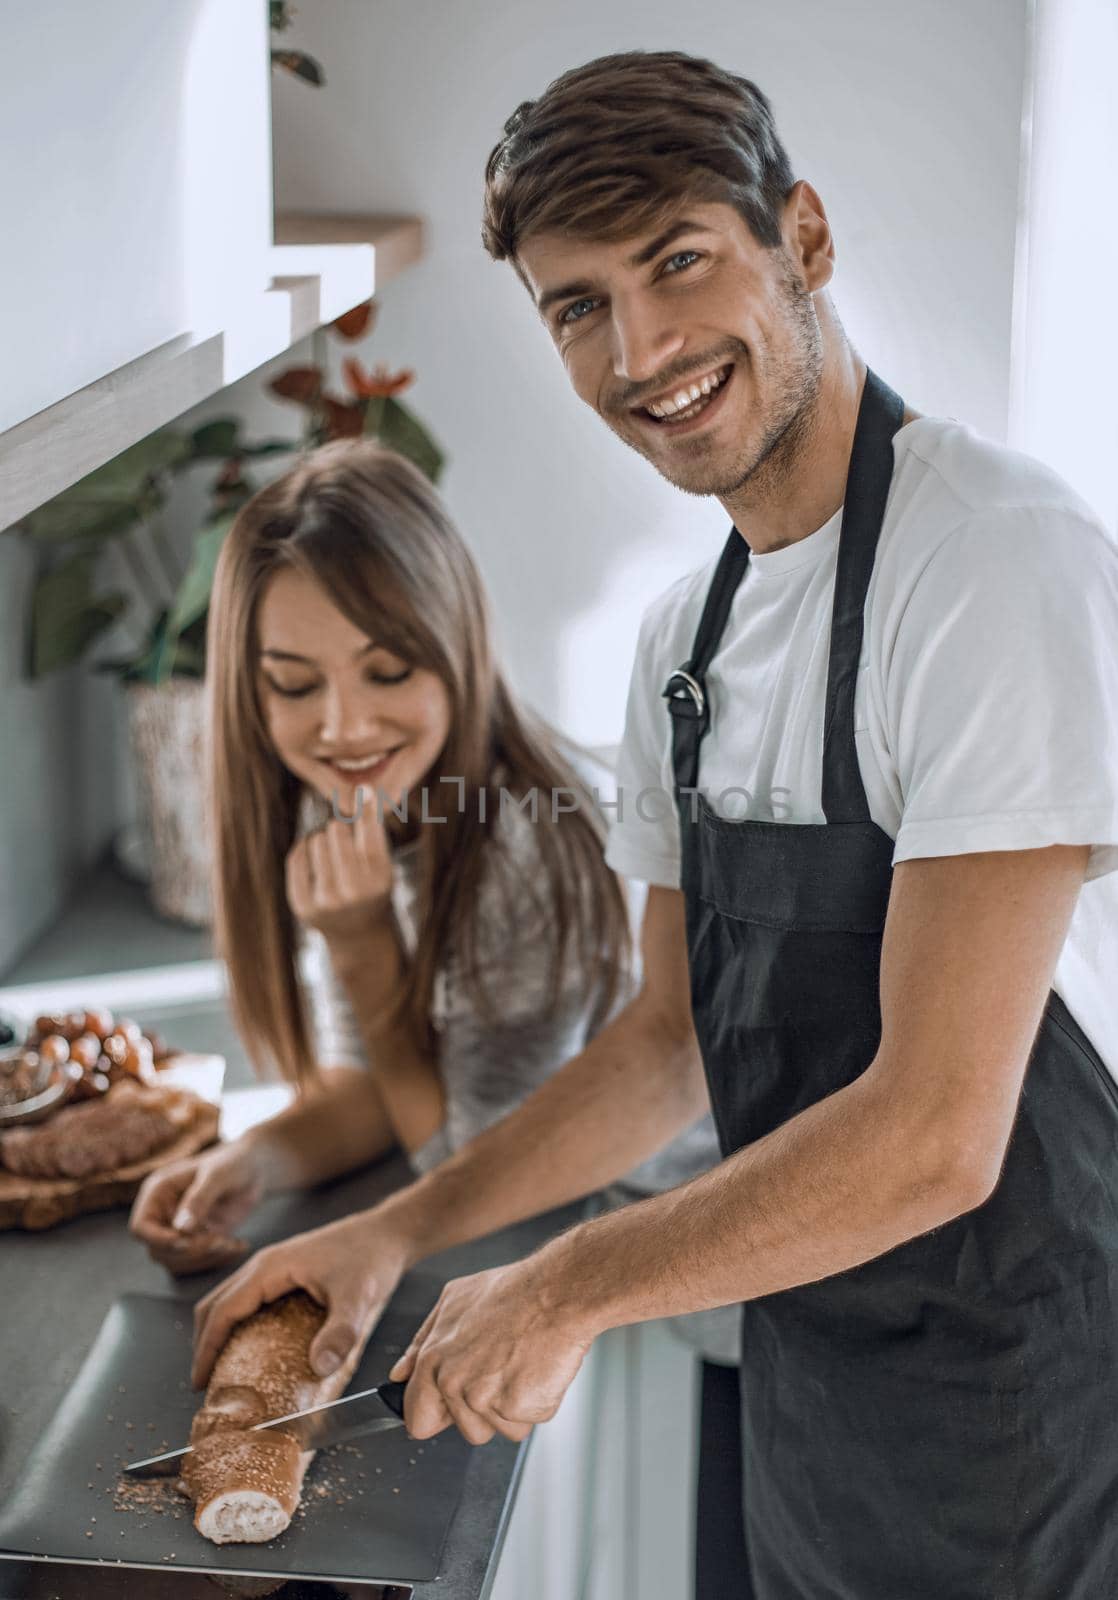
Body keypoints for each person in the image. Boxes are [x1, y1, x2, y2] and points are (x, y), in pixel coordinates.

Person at [191, 51, 1118, 1600]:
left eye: (678, 261)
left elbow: (939, 1132)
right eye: (576, 305)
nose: (643, 347)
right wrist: (392, 1237)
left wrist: (564, 1285)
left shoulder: (991, 564)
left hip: (1026, 1407)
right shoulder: (681, 639)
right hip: (811, 1374)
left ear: (801, 239)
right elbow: (660, 1042)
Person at [130, 435, 724, 1340]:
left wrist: (365, 949)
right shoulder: (351, 794)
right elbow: (373, 1080)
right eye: (293, 685)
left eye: (388, 673)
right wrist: (256, 1160)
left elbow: (464, 1162)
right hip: (563, 1219)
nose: (343, 726)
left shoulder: (524, 850)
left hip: (671, 1253)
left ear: (455, 645)